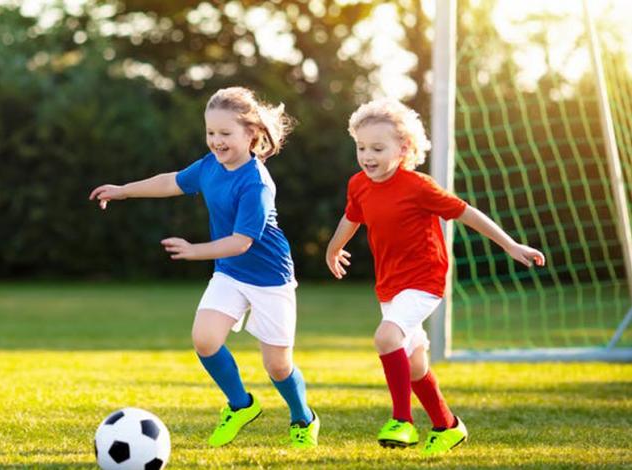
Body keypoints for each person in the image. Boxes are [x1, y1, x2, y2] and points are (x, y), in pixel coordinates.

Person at [89, 87, 319, 449]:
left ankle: (303, 418)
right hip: (230, 272)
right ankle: (241, 405)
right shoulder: (210, 166)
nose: (216, 141)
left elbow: (242, 241)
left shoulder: (256, 183)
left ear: (252, 134)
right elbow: (171, 181)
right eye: (211, 132)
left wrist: (195, 250)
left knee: (277, 366)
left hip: (269, 279)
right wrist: (123, 190)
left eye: (225, 133)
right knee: (205, 339)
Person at [325, 98, 545, 456]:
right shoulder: (359, 185)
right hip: (390, 285)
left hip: (425, 280)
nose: (367, 156)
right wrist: (333, 248)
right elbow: (351, 217)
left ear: (404, 148)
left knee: (386, 337)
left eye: (378, 148)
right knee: (412, 363)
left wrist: (510, 245)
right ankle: (447, 426)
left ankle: (402, 422)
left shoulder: (418, 186)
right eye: (361, 147)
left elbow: (466, 213)